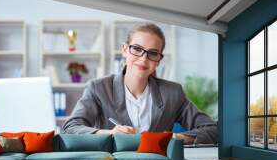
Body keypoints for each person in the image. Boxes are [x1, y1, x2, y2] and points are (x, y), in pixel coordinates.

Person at [62, 22, 217, 144]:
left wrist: (180, 138)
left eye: (152, 53)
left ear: (159, 60)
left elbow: (213, 130)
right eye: (137, 49)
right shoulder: (98, 88)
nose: (144, 58)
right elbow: (70, 129)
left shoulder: (172, 92)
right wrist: (109, 134)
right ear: (124, 49)